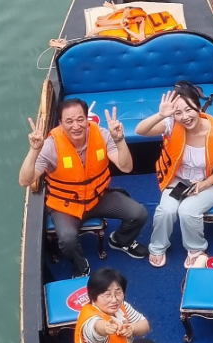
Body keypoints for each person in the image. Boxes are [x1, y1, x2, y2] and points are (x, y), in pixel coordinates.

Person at [19, 99, 148, 277]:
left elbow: (126, 167)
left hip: (98, 197)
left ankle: (120, 241)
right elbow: (25, 181)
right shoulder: (50, 146)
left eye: (80, 119)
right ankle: (81, 266)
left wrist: (119, 139)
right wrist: (34, 150)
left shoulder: (102, 134)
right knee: (67, 240)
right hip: (66, 205)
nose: (76, 126)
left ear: (87, 119)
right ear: (60, 123)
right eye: (69, 121)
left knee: (139, 214)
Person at [135, 82, 213, 268]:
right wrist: (161, 114)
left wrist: (206, 183)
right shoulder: (171, 124)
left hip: (211, 180)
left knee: (187, 211)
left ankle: (196, 249)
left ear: (198, 107)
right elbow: (140, 131)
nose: (185, 117)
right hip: (179, 178)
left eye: (189, 110)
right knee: (166, 210)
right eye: (178, 112)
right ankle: (157, 247)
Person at [75, 268, 197, 343]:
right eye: (107, 295)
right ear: (93, 297)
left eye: (118, 292)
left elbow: (145, 325)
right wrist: (106, 327)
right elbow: (96, 327)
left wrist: (132, 328)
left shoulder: (120, 306)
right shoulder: (89, 321)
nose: (114, 299)